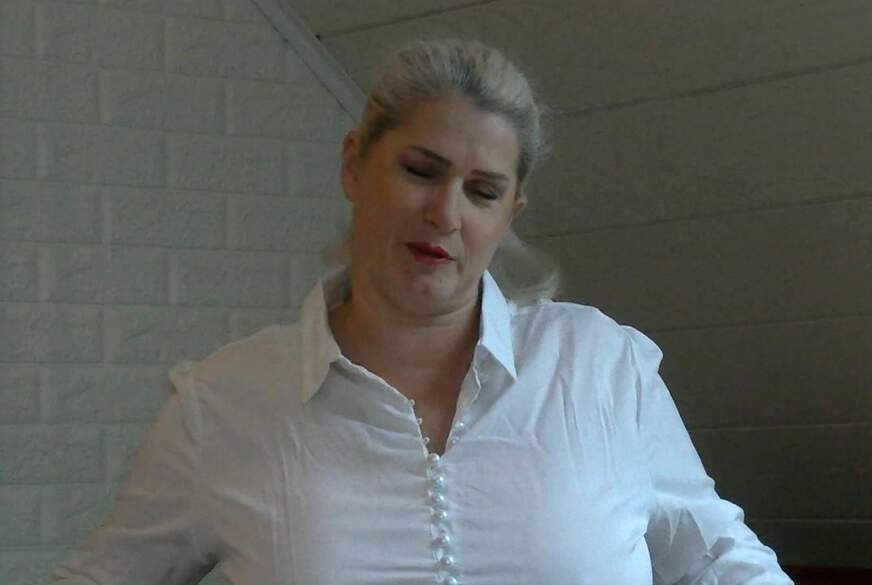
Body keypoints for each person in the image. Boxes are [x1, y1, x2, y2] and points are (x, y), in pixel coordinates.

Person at [51, 39, 793, 585]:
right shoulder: (224, 403)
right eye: (419, 171)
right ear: (353, 164)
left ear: (511, 211)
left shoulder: (601, 369)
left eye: (482, 191)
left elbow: (721, 559)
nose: (445, 213)